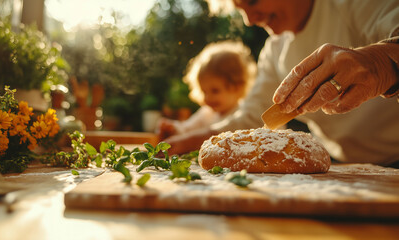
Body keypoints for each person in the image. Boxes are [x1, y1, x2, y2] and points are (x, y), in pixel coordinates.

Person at [164, 0, 399, 167]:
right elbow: (252, 119)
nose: (248, 20)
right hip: (347, 168)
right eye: (240, 9)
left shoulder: (352, 5)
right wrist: (189, 140)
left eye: (253, 2)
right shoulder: (273, 51)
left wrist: (381, 62)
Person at [157, 41, 257, 140]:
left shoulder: (243, 115)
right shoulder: (206, 113)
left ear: (237, 86)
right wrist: (173, 128)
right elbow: (186, 129)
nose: (208, 98)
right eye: (204, 92)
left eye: (215, 91)